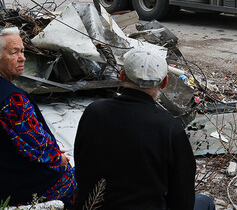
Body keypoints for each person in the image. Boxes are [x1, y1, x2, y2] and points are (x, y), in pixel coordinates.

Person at [73, 48, 215, 210]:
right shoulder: (170, 128)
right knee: (205, 202)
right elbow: (182, 198)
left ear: (122, 76)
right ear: (164, 82)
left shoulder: (94, 112)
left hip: (92, 206)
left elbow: (81, 168)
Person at [0, 27, 76, 207]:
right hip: (12, 189)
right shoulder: (11, 100)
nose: (22, 57)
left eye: (22, 51)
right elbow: (39, 149)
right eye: (14, 52)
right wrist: (59, 159)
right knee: (75, 181)